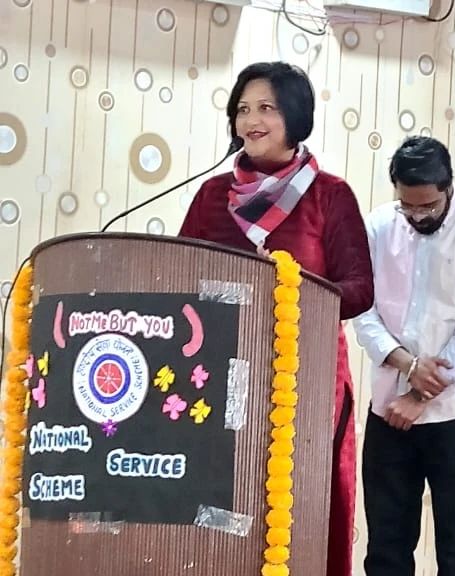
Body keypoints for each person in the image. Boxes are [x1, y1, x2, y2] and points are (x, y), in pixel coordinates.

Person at [179, 61, 373, 576]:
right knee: (221, 513)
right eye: (243, 109)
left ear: (295, 116)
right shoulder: (211, 196)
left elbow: (359, 289)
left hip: (303, 383)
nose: (251, 121)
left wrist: (289, 290)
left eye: (266, 108)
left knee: (300, 511)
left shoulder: (330, 195)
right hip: (219, 381)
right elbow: (180, 279)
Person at [353, 136, 455, 576]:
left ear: (448, 186)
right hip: (388, 412)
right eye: (408, 206)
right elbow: (362, 309)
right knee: (385, 552)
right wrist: (406, 365)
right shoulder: (378, 226)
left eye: (428, 206)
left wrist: (419, 396)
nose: (417, 216)